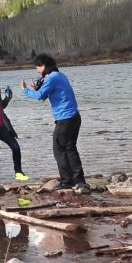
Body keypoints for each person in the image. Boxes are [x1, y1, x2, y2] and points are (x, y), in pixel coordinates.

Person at [21, 55, 88, 193]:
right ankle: (78, 179)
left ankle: (66, 180)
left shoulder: (51, 78)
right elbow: (44, 94)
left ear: (43, 65)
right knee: (70, 148)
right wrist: (37, 88)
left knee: (59, 149)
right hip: (74, 117)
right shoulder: (59, 75)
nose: (37, 70)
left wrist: (25, 90)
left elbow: (39, 96)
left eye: (37, 67)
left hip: (65, 119)